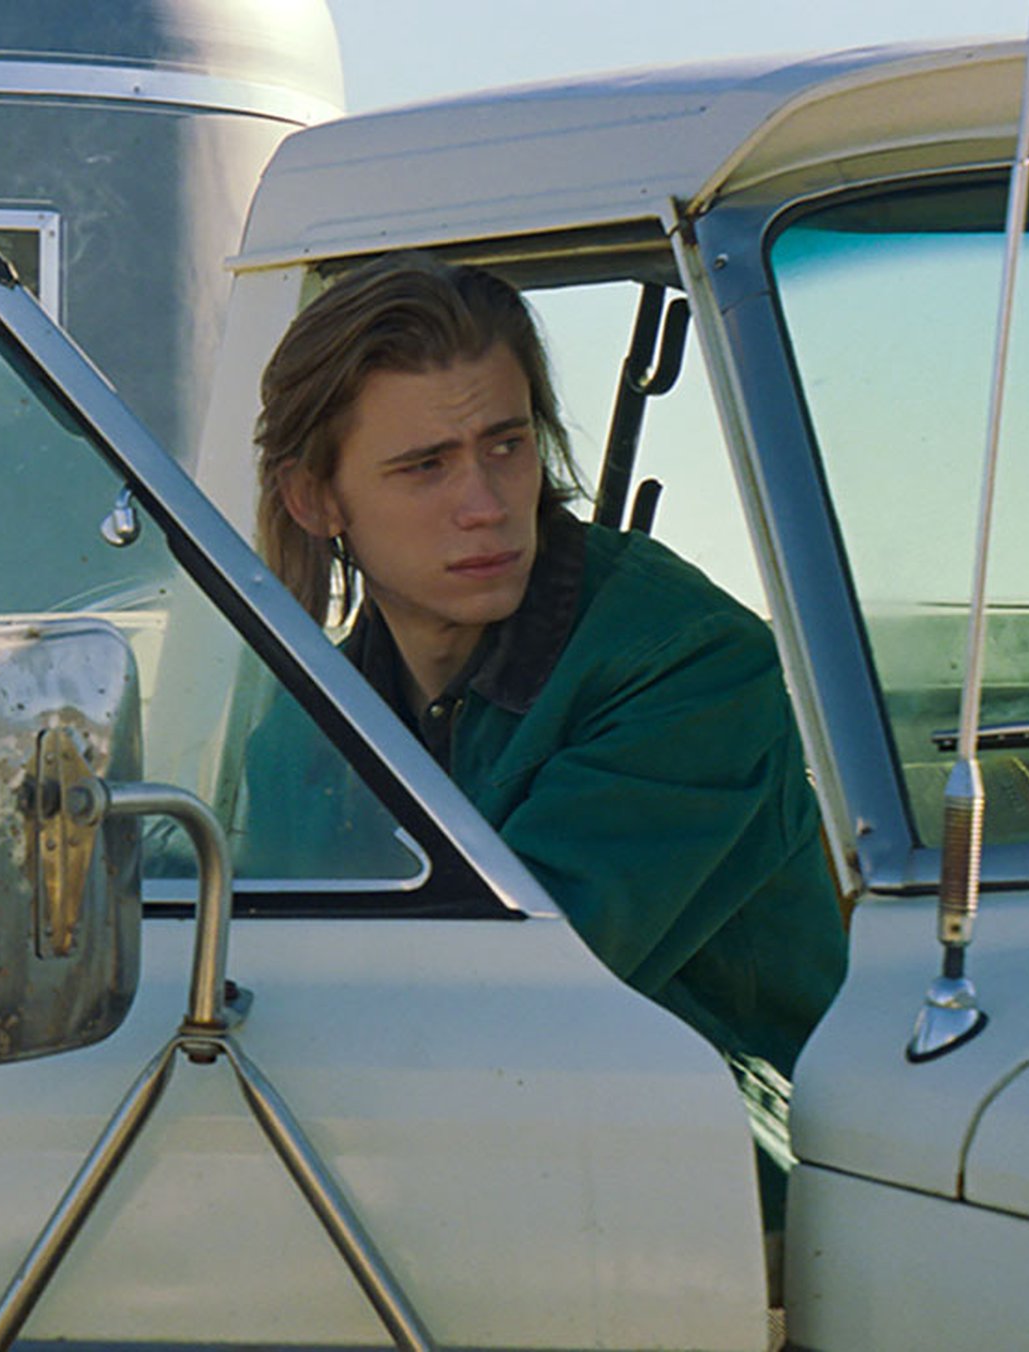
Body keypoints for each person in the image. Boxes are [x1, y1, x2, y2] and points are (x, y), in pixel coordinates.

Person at [248, 252, 846, 1235]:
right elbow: (273, 988)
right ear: (317, 500)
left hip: (733, 1210)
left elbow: (513, 990)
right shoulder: (307, 725)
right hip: (427, 1187)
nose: (485, 502)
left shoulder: (687, 665)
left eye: (506, 445)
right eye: (425, 465)